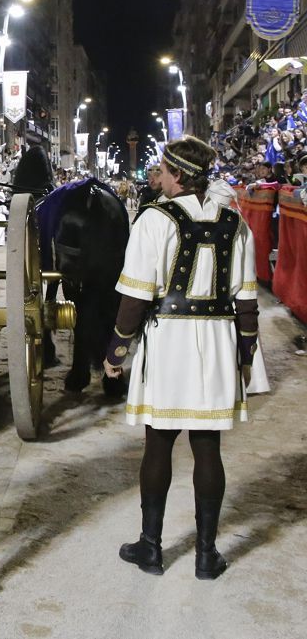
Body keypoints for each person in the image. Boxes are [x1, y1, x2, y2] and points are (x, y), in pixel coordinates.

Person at [104, 136, 261, 580]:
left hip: (169, 340)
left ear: (174, 174)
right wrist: (245, 355)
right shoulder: (235, 223)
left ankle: (151, 548)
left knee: (159, 441)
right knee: (207, 446)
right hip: (216, 342)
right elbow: (247, 302)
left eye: (162, 170)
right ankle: (206, 556)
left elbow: (134, 298)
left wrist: (117, 351)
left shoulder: (153, 220)